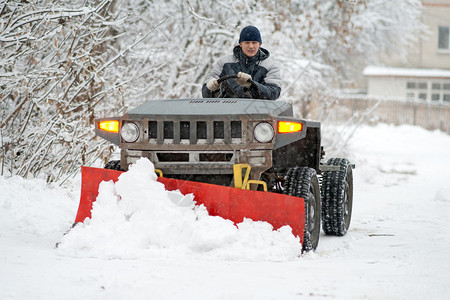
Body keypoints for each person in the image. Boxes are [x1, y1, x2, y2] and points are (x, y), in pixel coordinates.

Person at [202, 25, 281, 100]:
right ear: (240, 44)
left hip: (258, 112)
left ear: (259, 44)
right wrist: (211, 88)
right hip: (226, 111)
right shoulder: (223, 63)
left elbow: (274, 92)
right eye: (247, 42)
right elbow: (205, 93)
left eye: (254, 42)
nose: (250, 46)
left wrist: (252, 86)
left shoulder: (270, 66)